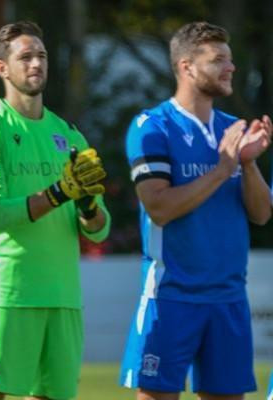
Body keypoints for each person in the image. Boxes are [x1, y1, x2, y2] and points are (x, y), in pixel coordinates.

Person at [0, 21, 110, 400]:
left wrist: (89, 205)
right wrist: (59, 193)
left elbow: (99, 230)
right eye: (25, 56)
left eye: (41, 55)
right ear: (2, 68)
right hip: (8, 292)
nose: (36, 63)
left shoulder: (69, 133)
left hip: (63, 296)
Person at [120, 21, 272, 400]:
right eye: (218, 59)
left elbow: (262, 214)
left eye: (231, 59)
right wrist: (222, 169)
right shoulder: (152, 126)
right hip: (171, 297)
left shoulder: (233, 130)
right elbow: (159, 207)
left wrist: (248, 165)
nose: (230, 67)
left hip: (229, 299)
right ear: (187, 67)